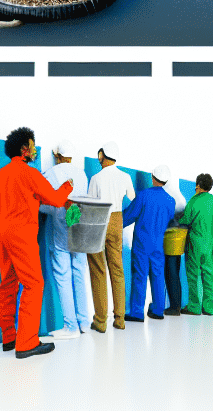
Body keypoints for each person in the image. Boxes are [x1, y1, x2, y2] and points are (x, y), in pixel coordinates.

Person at [0, 127, 73, 358]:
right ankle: (27, 342)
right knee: (34, 284)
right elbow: (57, 199)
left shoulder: (0, 174)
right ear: (24, 149)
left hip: (4, 235)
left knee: (8, 284)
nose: (35, 149)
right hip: (23, 235)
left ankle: (9, 337)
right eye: (32, 144)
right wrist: (67, 185)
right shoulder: (30, 173)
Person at [42, 140, 91, 339]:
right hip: (80, 228)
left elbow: (45, 202)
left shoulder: (51, 173)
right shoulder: (82, 174)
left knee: (63, 275)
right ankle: (84, 322)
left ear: (57, 156)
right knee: (79, 271)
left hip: (61, 228)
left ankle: (70, 327)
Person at [86, 142, 135, 332]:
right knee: (117, 270)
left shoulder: (96, 178)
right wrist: (123, 218)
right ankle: (120, 319)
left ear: (102, 156)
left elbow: (90, 205)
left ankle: (100, 321)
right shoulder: (125, 177)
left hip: (99, 220)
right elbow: (133, 198)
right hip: (117, 220)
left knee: (98, 269)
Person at [122, 164, 177, 322]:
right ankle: (158, 310)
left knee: (140, 275)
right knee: (158, 276)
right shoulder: (170, 201)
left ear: (153, 178)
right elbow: (168, 219)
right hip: (159, 243)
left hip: (142, 243)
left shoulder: (144, 195)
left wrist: (115, 223)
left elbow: (129, 216)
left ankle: (137, 312)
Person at [181, 173, 213, 315]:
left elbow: (185, 220)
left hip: (195, 244)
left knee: (193, 275)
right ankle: (209, 308)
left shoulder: (194, 201)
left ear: (198, 185)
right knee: (208, 275)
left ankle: (194, 307)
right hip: (210, 244)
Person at [162, 175, 188, 316]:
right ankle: (175, 305)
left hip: (171, 239)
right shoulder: (180, 196)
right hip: (179, 239)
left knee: (170, 273)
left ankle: (174, 307)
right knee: (175, 272)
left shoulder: (168, 196)